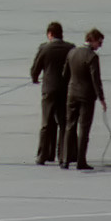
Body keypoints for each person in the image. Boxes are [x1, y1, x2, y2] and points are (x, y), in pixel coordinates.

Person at [61, 28, 106, 170]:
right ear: (92, 40)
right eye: (99, 42)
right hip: (86, 96)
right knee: (84, 129)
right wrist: (102, 99)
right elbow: (96, 80)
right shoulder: (92, 57)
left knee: (69, 127)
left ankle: (65, 160)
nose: (100, 46)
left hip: (72, 94)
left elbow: (65, 74)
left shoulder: (72, 52)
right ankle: (81, 161)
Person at [30, 21, 73, 164]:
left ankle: (43, 155)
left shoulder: (45, 48)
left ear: (50, 34)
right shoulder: (70, 48)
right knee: (63, 123)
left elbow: (36, 67)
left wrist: (35, 78)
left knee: (46, 123)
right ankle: (63, 155)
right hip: (65, 90)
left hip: (49, 89)